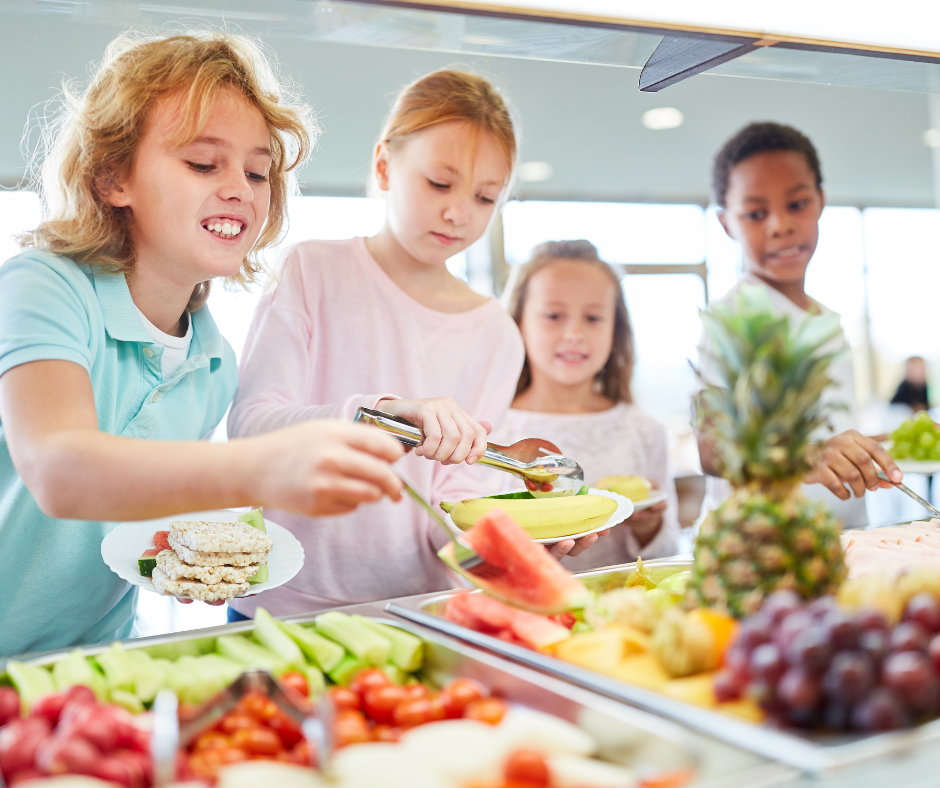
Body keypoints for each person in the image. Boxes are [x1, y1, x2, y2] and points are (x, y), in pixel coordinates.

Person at [0, 31, 405, 658]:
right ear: (113, 179)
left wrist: (184, 556)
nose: (240, 188)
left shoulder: (212, 361)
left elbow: (139, 510)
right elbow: (60, 470)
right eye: (202, 163)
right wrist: (265, 467)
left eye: (257, 170)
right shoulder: (44, 286)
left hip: (96, 657)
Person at [226, 69, 538, 621]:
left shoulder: (496, 334)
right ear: (384, 165)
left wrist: (526, 541)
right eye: (439, 183)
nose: (459, 213)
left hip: (417, 611)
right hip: (281, 606)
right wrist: (381, 418)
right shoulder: (312, 269)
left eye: (486, 197)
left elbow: (454, 500)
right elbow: (252, 426)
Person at [696, 122, 902, 527]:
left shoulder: (825, 319)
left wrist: (890, 443)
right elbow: (711, 449)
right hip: (760, 548)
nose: (780, 225)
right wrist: (810, 455)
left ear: (821, 201)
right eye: (756, 213)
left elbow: (832, 437)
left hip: (838, 541)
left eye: (797, 204)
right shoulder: (733, 320)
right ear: (726, 224)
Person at [497, 240, 680, 569]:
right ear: (519, 322)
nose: (574, 333)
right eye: (554, 315)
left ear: (615, 329)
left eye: (593, 318)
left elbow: (668, 554)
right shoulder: (488, 428)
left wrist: (649, 527)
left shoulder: (644, 431)